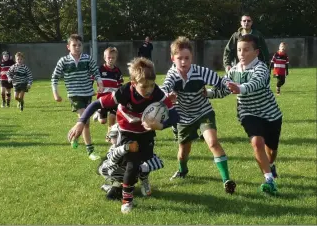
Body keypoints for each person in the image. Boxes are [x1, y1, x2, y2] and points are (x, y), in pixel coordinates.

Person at [68, 57, 179, 214]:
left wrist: (160, 125)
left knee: (145, 163)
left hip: (146, 134)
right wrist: (80, 122)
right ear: (133, 83)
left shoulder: (156, 93)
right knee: (131, 164)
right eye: (144, 86)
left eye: (152, 85)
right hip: (127, 133)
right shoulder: (124, 92)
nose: (149, 90)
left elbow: (175, 116)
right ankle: (127, 199)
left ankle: (141, 176)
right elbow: (95, 104)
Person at [207, 34, 282, 196]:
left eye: (246, 50)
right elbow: (221, 91)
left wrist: (239, 88)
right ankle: (269, 180)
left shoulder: (261, 68)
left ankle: (271, 164)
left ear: (256, 52)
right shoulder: (233, 71)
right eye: (239, 50)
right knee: (257, 143)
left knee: (272, 150)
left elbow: (255, 84)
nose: (241, 53)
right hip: (247, 112)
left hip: (271, 114)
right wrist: (205, 93)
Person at [160, 36, 236, 194]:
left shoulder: (202, 72)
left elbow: (224, 86)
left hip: (203, 112)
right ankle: (183, 170)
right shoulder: (172, 75)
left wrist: (209, 93)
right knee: (183, 152)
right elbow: (164, 88)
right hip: (183, 117)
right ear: (172, 58)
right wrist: (167, 97)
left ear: (191, 58)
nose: (183, 62)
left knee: (213, 143)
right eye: (179, 58)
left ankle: (227, 180)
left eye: (186, 58)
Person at [51, 34, 103, 161]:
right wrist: (55, 94)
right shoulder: (63, 61)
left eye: (79, 45)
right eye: (74, 45)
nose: (77, 47)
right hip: (74, 95)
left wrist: (100, 83)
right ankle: (90, 151)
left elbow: (96, 72)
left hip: (88, 93)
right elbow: (54, 78)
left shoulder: (87, 59)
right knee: (85, 122)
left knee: (85, 122)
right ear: (68, 47)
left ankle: (75, 136)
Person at [98, 123, 164, 200]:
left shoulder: (139, 146)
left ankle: (144, 180)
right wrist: (125, 148)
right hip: (118, 175)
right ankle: (115, 185)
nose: (111, 139)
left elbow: (159, 163)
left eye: (114, 136)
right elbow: (112, 159)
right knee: (111, 196)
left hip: (132, 173)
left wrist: (142, 170)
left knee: (143, 165)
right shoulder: (113, 149)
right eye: (111, 136)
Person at [93, 47, 124, 142]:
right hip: (103, 99)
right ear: (105, 58)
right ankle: (98, 112)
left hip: (114, 99)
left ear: (116, 59)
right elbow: (91, 78)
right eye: (109, 57)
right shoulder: (100, 70)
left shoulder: (118, 71)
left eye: (113, 58)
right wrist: (92, 88)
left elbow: (120, 85)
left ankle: (109, 136)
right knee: (103, 121)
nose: (111, 59)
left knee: (112, 118)